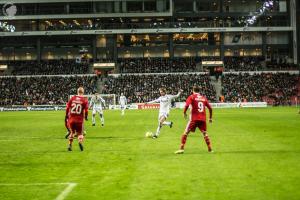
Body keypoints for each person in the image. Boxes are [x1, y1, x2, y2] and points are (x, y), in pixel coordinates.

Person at [175, 85, 213, 154]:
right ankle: (210, 149)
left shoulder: (191, 97)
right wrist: (210, 118)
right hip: (202, 119)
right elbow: (210, 108)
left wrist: (184, 113)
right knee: (205, 133)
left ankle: (181, 149)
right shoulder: (203, 98)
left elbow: (186, 105)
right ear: (199, 91)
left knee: (185, 133)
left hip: (194, 119)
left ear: (193, 90)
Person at [65, 87, 88, 151]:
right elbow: (86, 110)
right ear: (83, 92)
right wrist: (86, 117)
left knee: (72, 132)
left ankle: (70, 145)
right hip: (79, 120)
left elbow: (67, 108)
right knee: (80, 133)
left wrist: (66, 115)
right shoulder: (84, 100)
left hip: (71, 119)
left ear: (77, 92)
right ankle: (80, 142)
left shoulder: (72, 98)